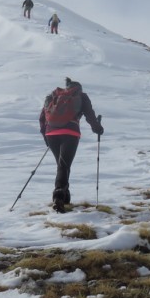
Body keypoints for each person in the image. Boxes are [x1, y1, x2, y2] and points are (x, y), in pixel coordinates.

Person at [39, 78, 103, 212]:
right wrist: (97, 128)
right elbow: (90, 115)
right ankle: (58, 196)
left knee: (62, 165)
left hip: (51, 133)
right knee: (64, 165)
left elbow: (42, 117)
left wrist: (45, 136)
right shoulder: (81, 96)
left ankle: (65, 196)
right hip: (70, 133)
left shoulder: (54, 96)